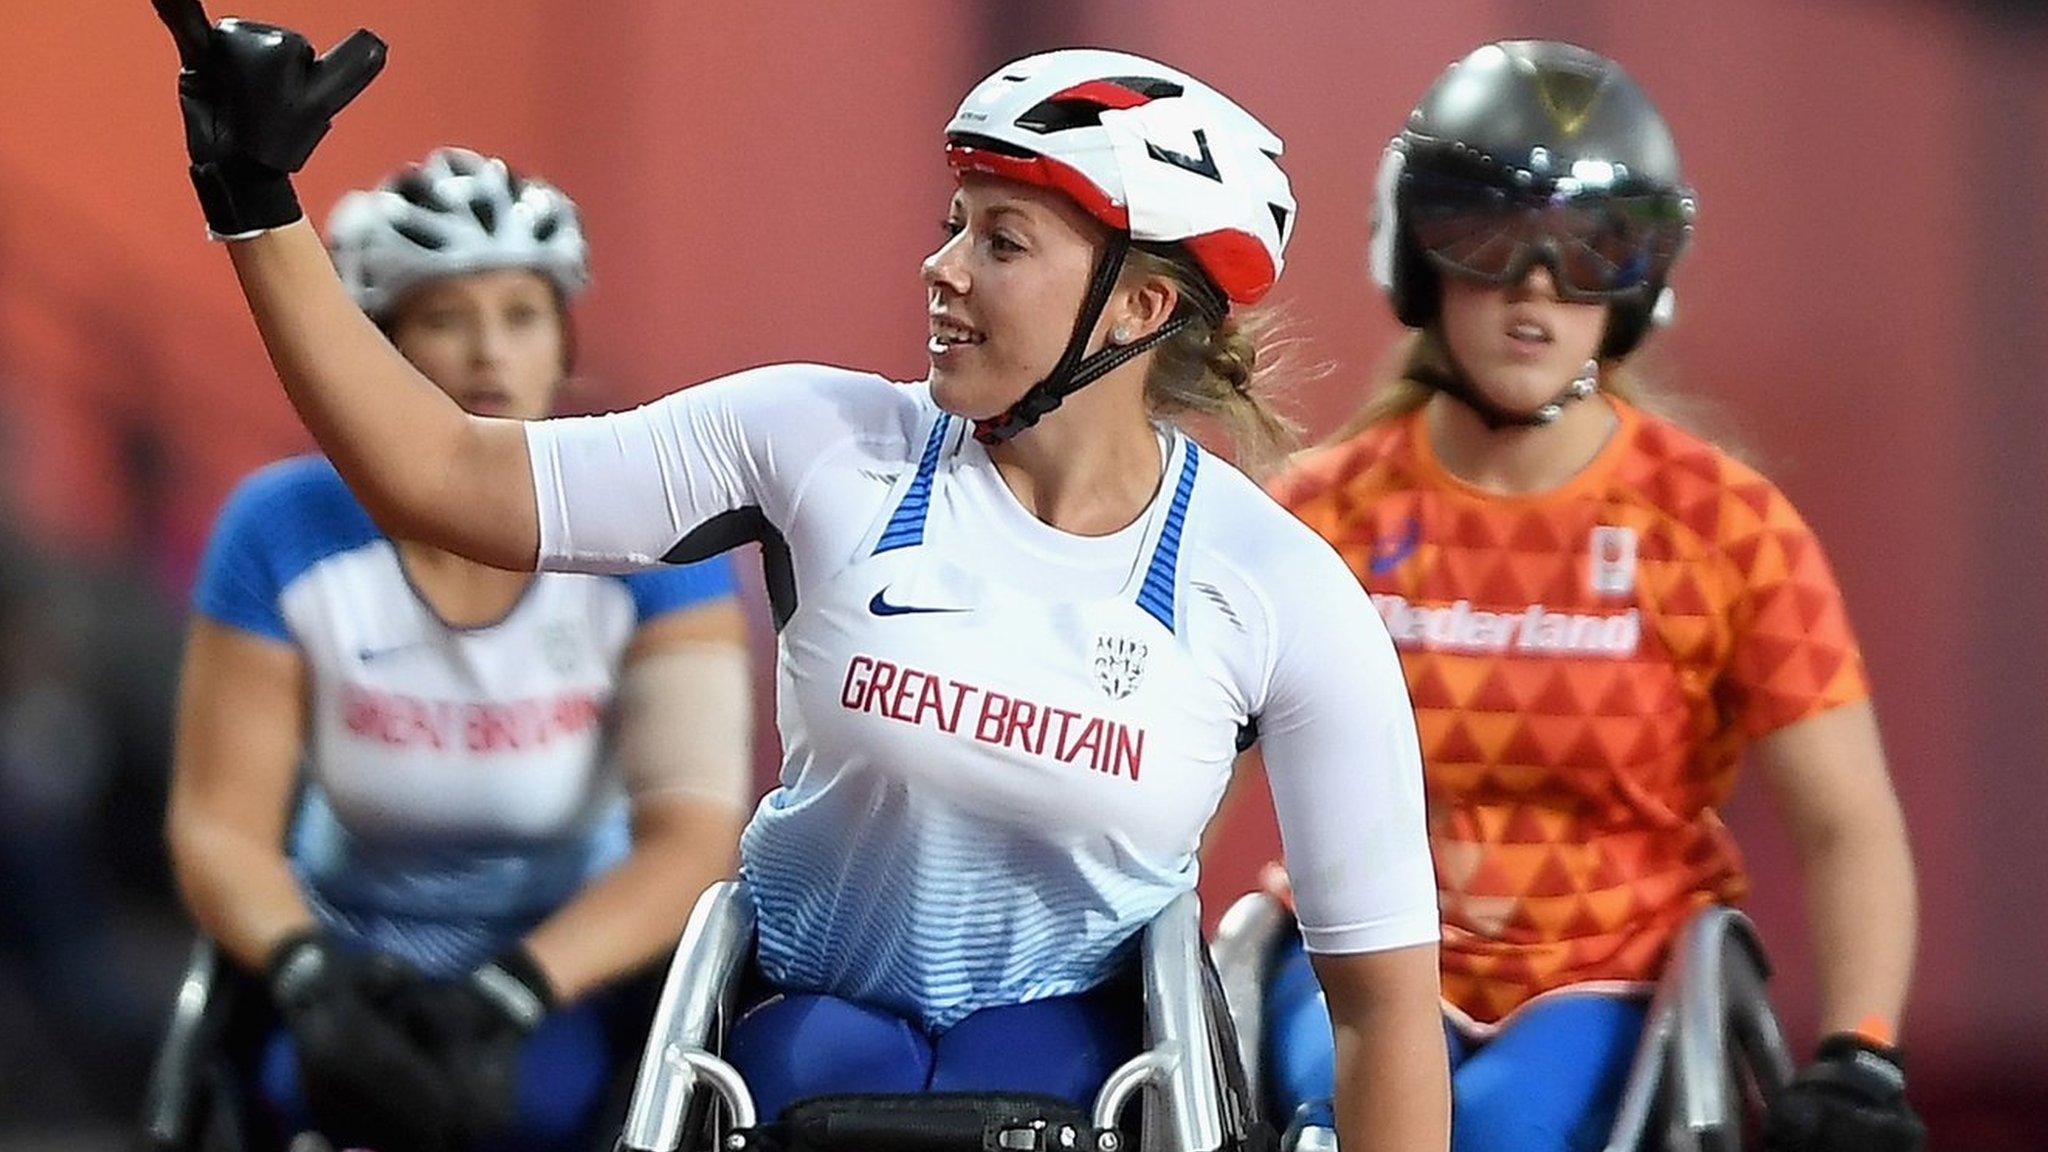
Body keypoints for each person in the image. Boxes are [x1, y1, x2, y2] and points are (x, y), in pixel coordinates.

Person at [152, 6, 1451, 1149]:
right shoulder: (815, 437)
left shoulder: (1279, 587)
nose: (941, 268)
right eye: (953, 226)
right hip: (797, 1025)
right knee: (814, 1069)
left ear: (1140, 310)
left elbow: (1386, 1010)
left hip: (1084, 1057)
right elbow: (443, 474)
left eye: (1003, 242)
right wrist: (256, 201)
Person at [1259, 41, 1923, 1152]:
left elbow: (1844, 823)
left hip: (1609, 981)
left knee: (1507, 1126)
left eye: (1590, 252)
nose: (1533, 289)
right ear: (1415, 256)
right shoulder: (1312, 520)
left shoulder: (1724, 527)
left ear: (1637, 286)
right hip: (1353, 960)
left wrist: (1859, 1049)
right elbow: (1176, 777)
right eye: (1489, 237)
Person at [166, 144, 753, 1152]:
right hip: (350, 945)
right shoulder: (276, 527)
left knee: (541, 1105)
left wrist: (514, 990)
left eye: (521, 316)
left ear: (562, 344)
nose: (488, 353)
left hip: (568, 954)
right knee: (310, 1089)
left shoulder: (653, 526)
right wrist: (308, 971)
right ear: (373, 352)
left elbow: (693, 836)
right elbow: (220, 825)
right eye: (444, 317)